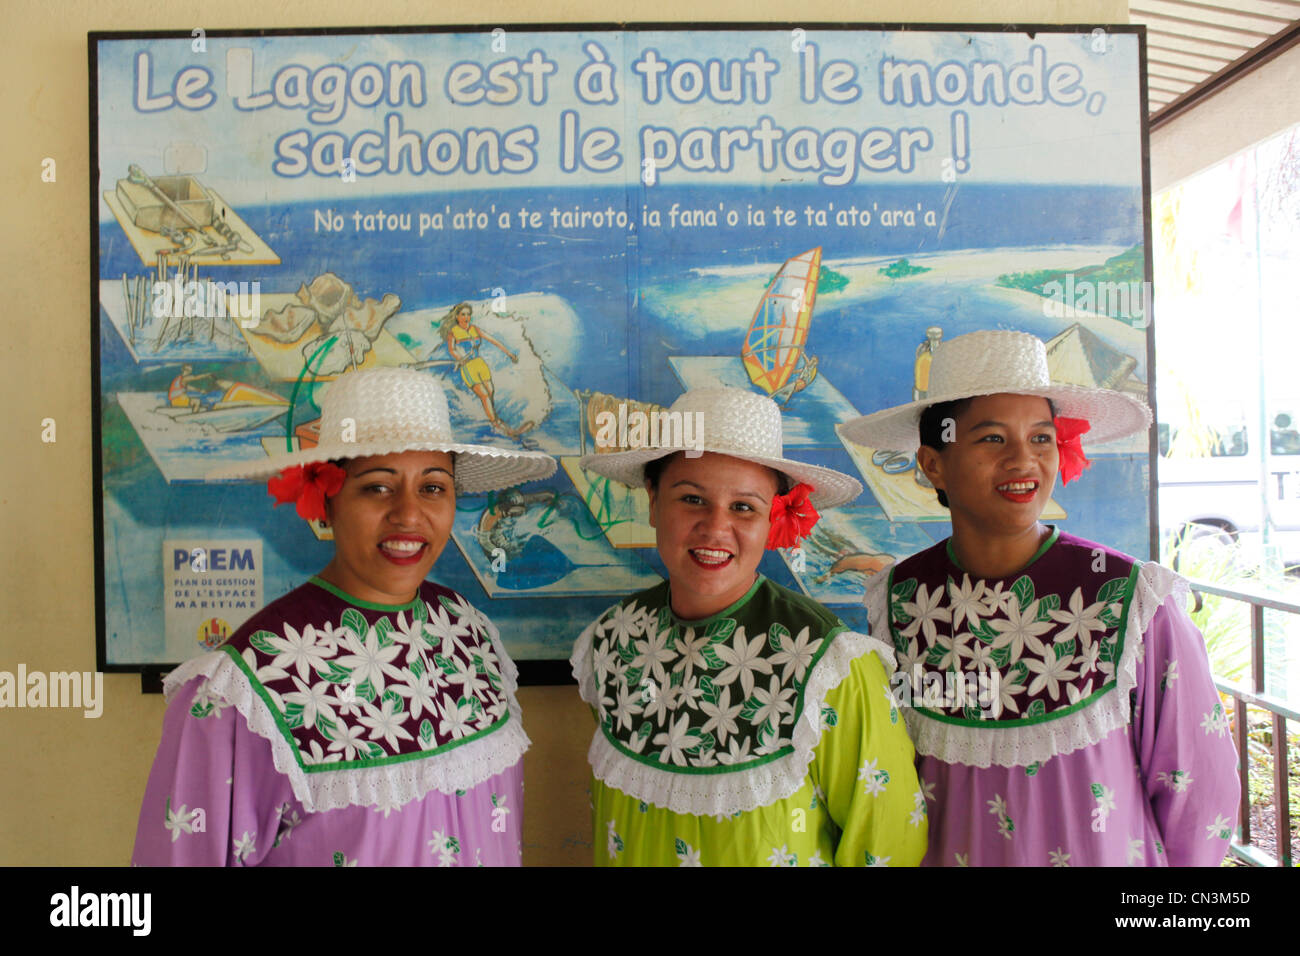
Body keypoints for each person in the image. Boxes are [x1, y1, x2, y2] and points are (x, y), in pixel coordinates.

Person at [840, 329, 1240, 866]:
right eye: (992, 439)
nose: (1023, 460)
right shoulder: (899, 604)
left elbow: (1197, 792)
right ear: (933, 464)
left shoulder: (1130, 601)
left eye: (1041, 438)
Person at [132, 367, 556, 866]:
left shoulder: (470, 636)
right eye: (378, 487)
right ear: (325, 502)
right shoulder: (247, 690)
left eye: (433, 487)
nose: (409, 514)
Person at [570, 386, 926, 866]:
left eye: (744, 507)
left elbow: (888, 846)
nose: (716, 528)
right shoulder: (613, 641)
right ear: (653, 503)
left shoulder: (831, 668)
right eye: (692, 499)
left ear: (772, 519)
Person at [438, 302, 519, 433]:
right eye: (463, 314)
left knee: (490, 390)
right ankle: (495, 423)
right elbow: (452, 349)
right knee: (484, 395)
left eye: (468, 314)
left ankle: (494, 418)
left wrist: (509, 353)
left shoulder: (475, 329)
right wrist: (460, 358)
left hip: (480, 364)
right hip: (468, 367)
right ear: (457, 316)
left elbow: (493, 340)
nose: (466, 317)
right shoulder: (453, 332)